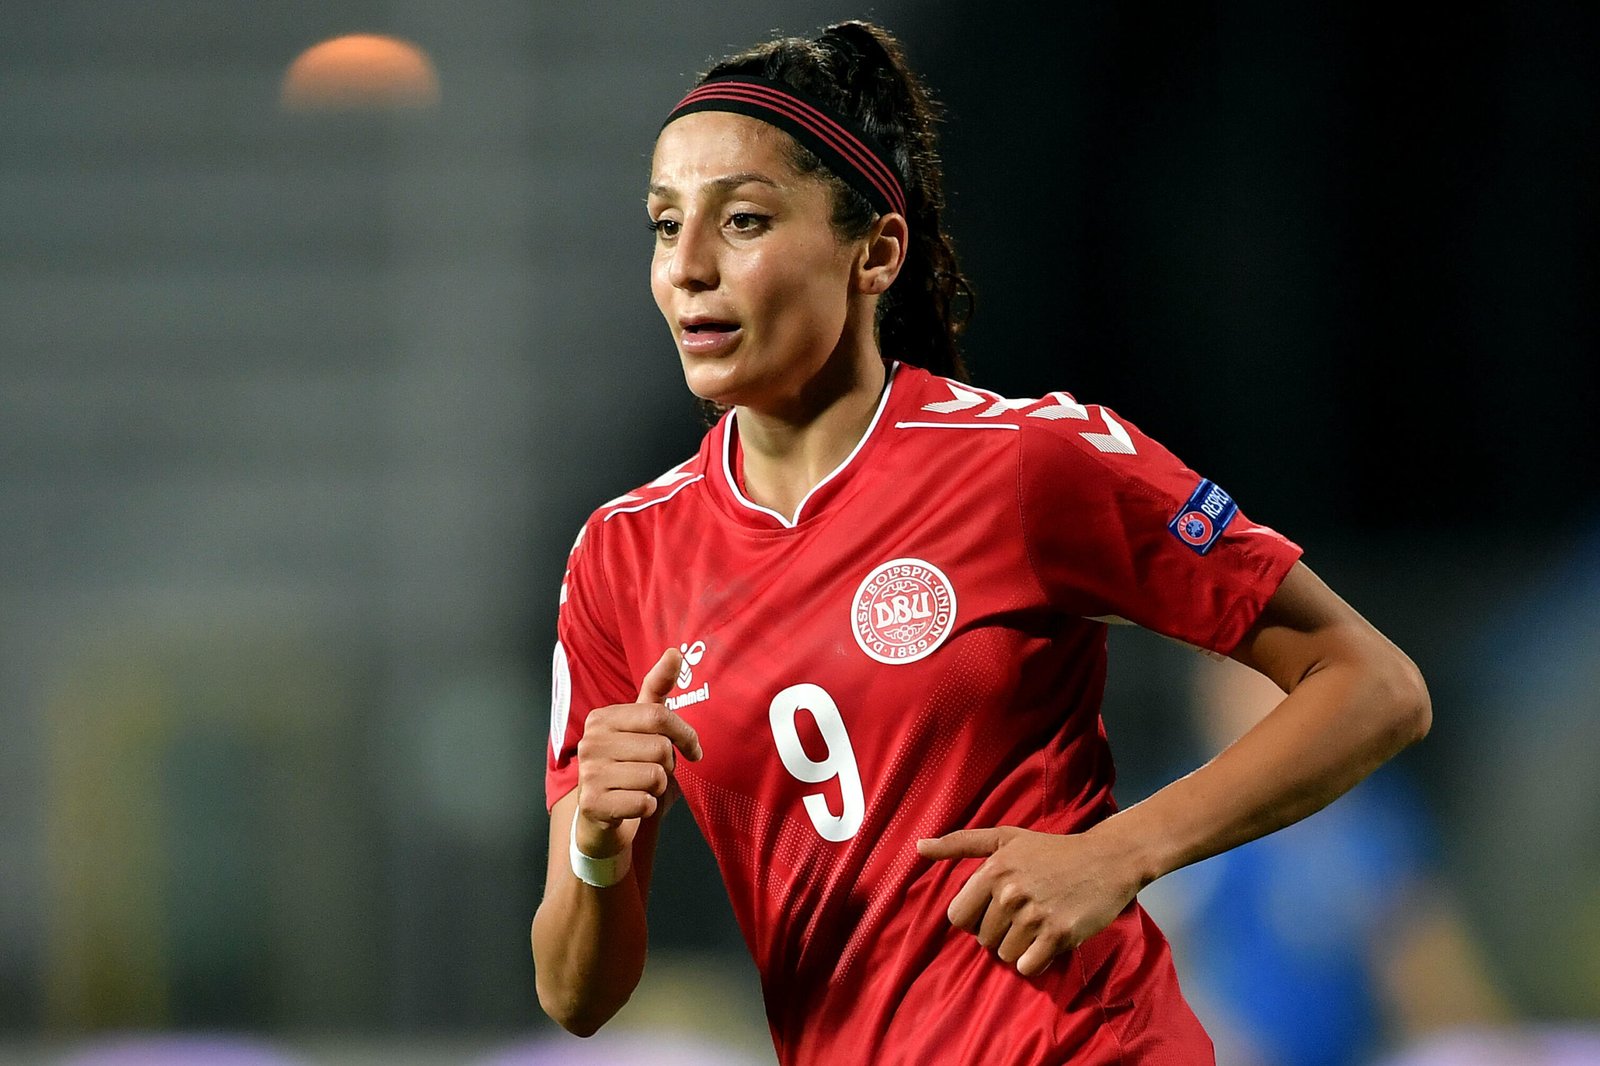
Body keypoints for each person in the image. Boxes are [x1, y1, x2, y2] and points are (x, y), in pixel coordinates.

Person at [531, 20, 1431, 1066]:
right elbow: (574, 993)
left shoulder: (1024, 463)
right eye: (661, 224)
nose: (686, 267)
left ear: (874, 252)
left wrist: (1120, 851)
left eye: (740, 220)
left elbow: (1372, 682)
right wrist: (597, 845)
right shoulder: (620, 557)